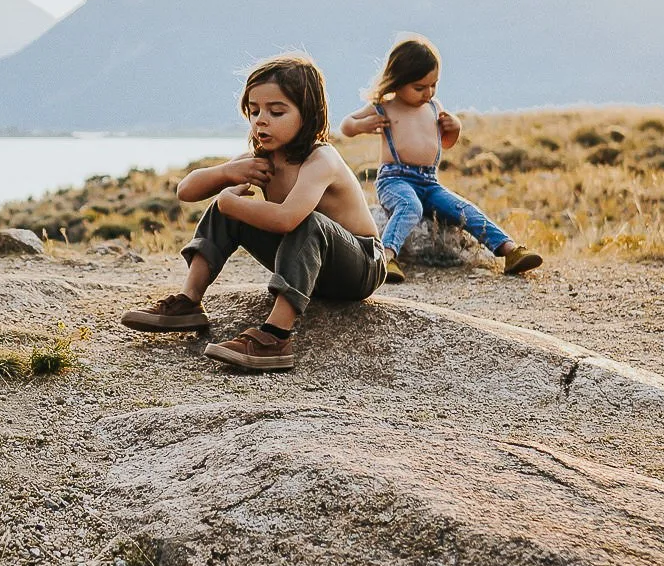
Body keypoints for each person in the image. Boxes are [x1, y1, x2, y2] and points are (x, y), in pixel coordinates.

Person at [119, 54, 385, 372]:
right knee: (227, 208)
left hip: (359, 266)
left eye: (276, 111)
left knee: (303, 220)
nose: (261, 120)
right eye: (254, 110)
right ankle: (189, 302)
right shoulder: (263, 158)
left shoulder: (321, 160)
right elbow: (186, 191)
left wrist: (231, 202)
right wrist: (229, 173)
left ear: (308, 114)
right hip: (311, 269)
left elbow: (288, 219)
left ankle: (275, 337)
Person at [341, 34, 540, 277]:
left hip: (430, 182)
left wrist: (454, 128)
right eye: (419, 87)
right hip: (395, 180)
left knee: (464, 210)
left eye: (434, 85)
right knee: (409, 206)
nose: (428, 92)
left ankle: (510, 250)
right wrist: (363, 125)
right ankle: (385, 258)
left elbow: (444, 143)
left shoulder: (434, 107)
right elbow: (346, 125)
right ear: (398, 81)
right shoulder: (385, 106)